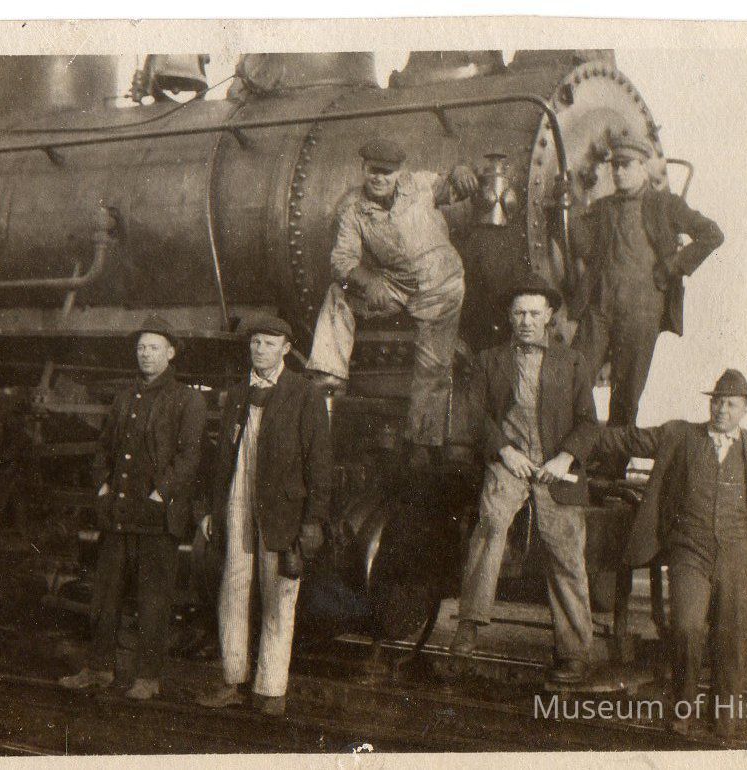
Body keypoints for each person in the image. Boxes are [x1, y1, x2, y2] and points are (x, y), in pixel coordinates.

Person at [593, 369, 747, 738]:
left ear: (745, 410)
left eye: (731, 404)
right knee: (686, 627)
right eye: (717, 402)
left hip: (738, 554)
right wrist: (580, 438)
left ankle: (724, 719)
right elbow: (631, 439)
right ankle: (683, 710)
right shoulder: (681, 435)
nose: (721, 410)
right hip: (689, 551)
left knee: (731, 635)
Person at [450, 273, 602, 685]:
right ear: (509, 316)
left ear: (550, 315)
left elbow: (589, 423)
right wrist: (505, 451)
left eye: (535, 313)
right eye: (519, 313)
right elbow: (475, 415)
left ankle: (574, 652)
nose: (526, 322)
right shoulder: (489, 360)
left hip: (557, 467)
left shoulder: (573, 362)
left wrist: (564, 458)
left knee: (566, 551)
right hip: (510, 461)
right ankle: (468, 629)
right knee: (491, 524)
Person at [305, 138, 479, 467]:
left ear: (399, 172)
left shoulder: (420, 185)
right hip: (396, 283)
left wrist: (461, 172)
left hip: (441, 283)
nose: (379, 178)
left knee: (434, 364)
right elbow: (342, 260)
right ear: (363, 169)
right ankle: (328, 376)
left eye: (386, 172)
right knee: (338, 294)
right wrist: (366, 280)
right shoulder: (353, 209)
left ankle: (421, 443)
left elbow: (452, 187)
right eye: (373, 171)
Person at [59, 318, 206, 700]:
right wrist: (102, 486)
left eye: (154, 348)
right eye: (141, 348)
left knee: (153, 600)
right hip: (119, 513)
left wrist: (160, 495)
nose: (146, 354)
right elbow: (104, 449)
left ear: (170, 352)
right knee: (105, 596)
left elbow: (189, 458)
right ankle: (98, 669)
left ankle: (148, 677)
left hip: (156, 518)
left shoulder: (187, 400)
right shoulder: (125, 397)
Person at [196, 315, 332, 716]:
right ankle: (233, 680)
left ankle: (271, 691)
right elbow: (222, 459)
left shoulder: (305, 394)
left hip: (284, 508)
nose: (260, 350)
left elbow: (320, 462)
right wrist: (212, 509)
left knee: (279, 598)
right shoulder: (239, 393)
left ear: (286, 349)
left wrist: (313, 519)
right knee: (232, 589)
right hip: (238, 498)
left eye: (269, 344)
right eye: (255, 342)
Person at [569, 132, 724, 475]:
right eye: (615, 166)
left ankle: (609, 470)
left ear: (643, 167)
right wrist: (569, 208)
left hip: (641, 313)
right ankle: (570, 456)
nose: (619, 172)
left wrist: (674, 265)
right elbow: (581, 244)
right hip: (601, 308)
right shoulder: (604, 208)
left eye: (626, 166)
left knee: (625, 396)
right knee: (573, 377)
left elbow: (712, 234)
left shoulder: (665, 205)